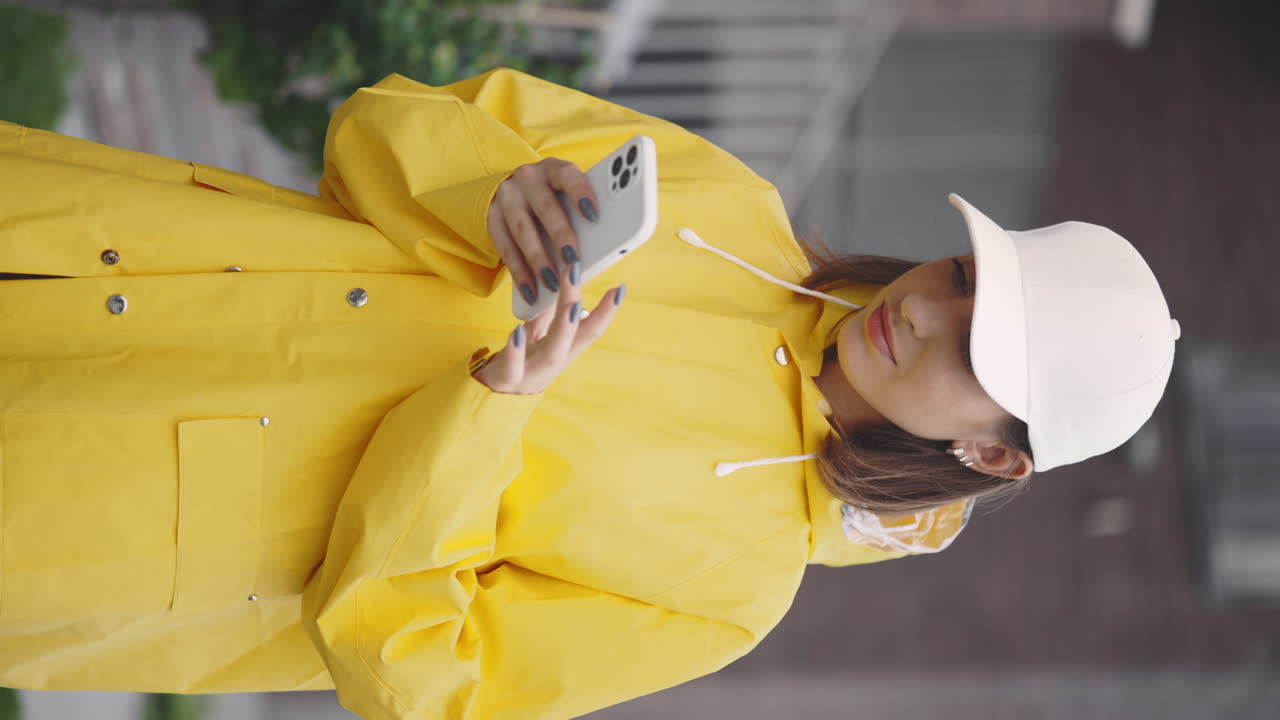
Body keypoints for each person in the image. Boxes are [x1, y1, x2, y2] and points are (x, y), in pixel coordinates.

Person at [0, 68, 1178, 719]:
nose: (923, 309)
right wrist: (490, 192)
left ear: (992, 456)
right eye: (965, 275)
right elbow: (373, 125)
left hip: (84, 505)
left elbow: (416, 679)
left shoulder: (729, 591)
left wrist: (481, 417)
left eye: (976, 351)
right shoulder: (725, 201)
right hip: (97, 248)